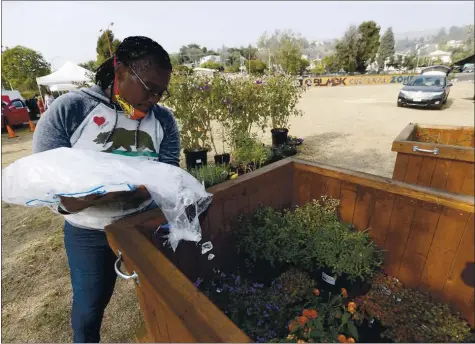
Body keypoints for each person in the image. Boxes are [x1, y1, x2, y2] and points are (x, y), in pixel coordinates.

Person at [32, 36, 179, 343]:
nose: (154, 99)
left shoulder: (162, 119)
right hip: (89, 232)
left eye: (161, 92)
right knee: (89, 308)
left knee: (164, 297)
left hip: (144, 223)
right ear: (121, 71)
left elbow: (167, 174)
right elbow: (53, 190)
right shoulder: (70, 110)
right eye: (149, 88)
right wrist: (101, 195)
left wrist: (134, 193)